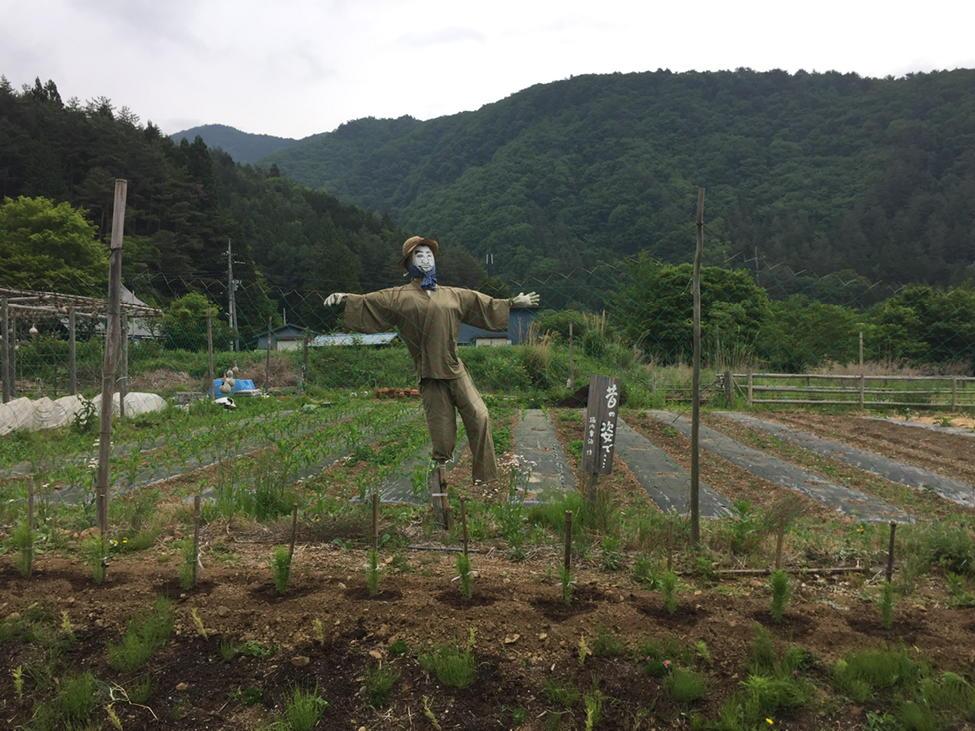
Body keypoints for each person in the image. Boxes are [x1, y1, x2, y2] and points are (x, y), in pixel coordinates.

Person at [324, 235, 539, 483]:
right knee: (442, 438)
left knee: (480, 416)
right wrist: (345, 298)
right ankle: (439, 488)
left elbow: (482, 304)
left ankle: (485, 479)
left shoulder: (453, 295)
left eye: (429, 254)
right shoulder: (398, 297)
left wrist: (513, 303)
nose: (426, 258)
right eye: (419, 254)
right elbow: (370, 301)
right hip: (429, 375)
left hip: (455, 368)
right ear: (408, 264)